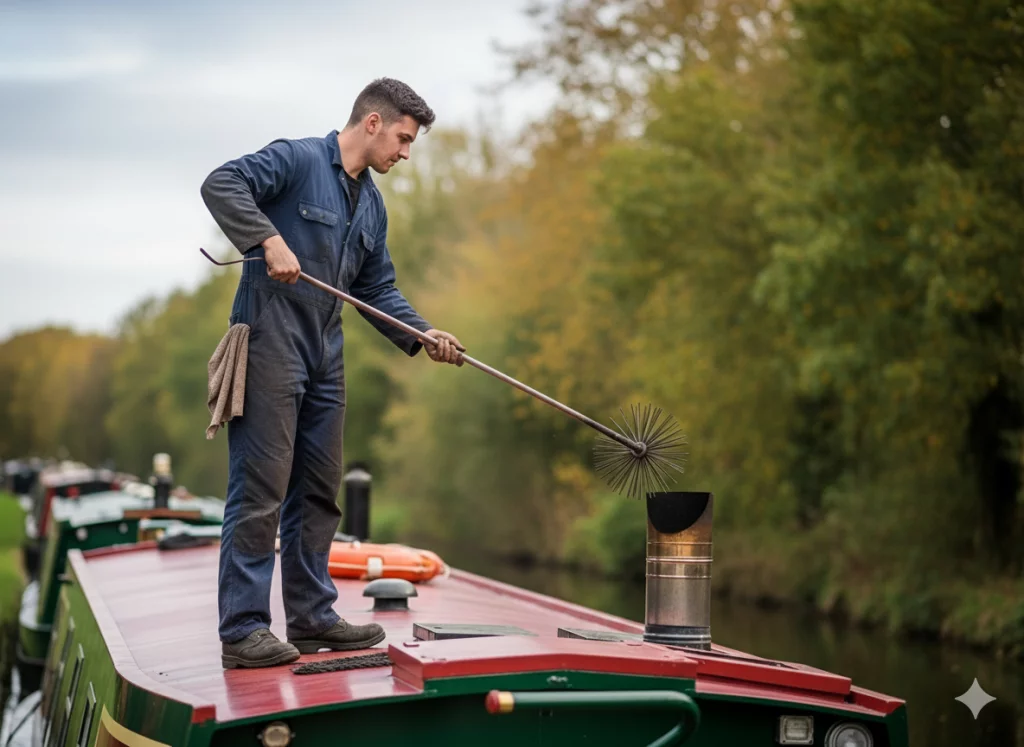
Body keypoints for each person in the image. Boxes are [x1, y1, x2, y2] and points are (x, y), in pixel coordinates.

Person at [200, 78, 463, 669]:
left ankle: (313, 616)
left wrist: (425, 334)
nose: (404, 152)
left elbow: (377, 289)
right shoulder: (296, 160)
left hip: (327, 350)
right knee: (261, 489)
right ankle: (243, 630)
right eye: (402, 138)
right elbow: (221, 183)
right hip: (270, 338)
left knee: (319, 489)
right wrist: (267, 239)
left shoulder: (371, 204)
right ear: (372, 123)